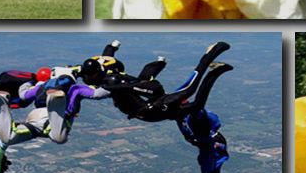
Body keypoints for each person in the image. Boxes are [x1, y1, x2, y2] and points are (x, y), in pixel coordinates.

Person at [82, 40, 233, 123]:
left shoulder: (111, 80)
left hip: (151, 108)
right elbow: (143, 86)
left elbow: (108, 59)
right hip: (151, 109)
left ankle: (211, 54)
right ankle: (215, 70)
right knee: (194, 101)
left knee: (190, 91)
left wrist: (111, 47)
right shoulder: (111, 82)